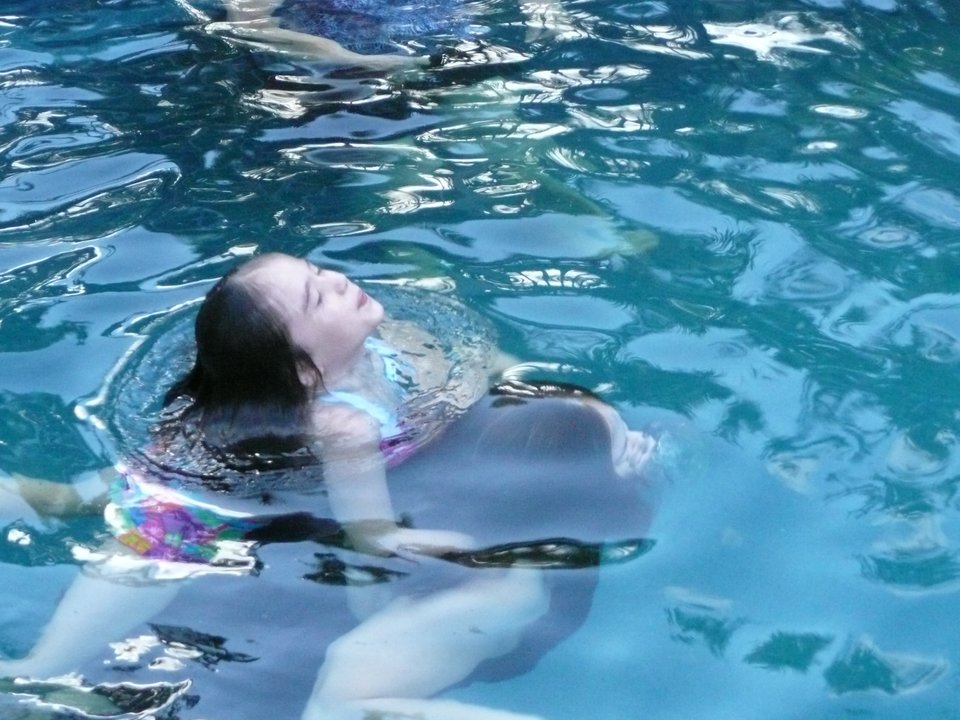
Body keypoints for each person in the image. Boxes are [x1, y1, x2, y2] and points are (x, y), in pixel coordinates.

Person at [0, 252, 658, 720]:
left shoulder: (398, 339)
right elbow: (368, 528)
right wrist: (408, 557)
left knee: (114, 489)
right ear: (305, 371)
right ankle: (29, 675)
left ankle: (51, 497)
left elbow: (493, 371)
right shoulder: (343, 430)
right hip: (206, 497)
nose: (339, 281)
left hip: (229, 449)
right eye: (319, 298)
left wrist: (557, 404)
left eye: (319, 274)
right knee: (150, 542)